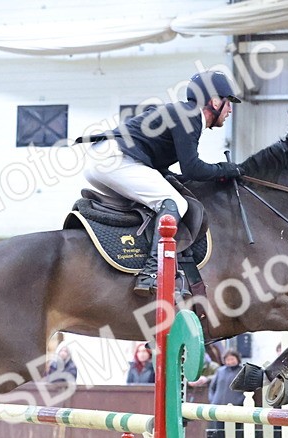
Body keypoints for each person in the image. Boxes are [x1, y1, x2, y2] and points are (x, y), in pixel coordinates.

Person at [79, 69, 244, 297]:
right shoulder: (190, 115)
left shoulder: (181, 113)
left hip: (102, 160)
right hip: (115, 159)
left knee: (155, 202)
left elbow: (172, 171)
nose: (230, 109)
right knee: (174, 203)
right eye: (228, 103)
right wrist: (227, 169)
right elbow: (193, 168)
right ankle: (152, 272)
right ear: (215, 102)